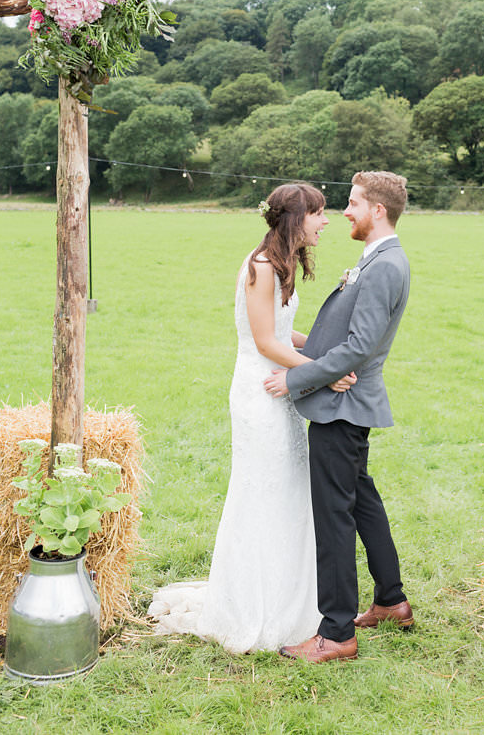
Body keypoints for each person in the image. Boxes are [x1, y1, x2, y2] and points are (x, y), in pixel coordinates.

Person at [148, 182, 353, 652]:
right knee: (262, 491)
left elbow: (284, 333)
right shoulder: (262, 266)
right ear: (296, 218)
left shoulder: (281, 264)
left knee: (287, 491)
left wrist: (322, 348)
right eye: (319, 213)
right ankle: (256, 609)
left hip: (279, 388)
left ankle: (290, 601)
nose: (326, 222)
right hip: (260, 393)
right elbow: (264, 342)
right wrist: (325, 370)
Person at [264, 170, 412, 664]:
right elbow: (345, 337)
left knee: (333, 517)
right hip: (348, 403)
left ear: (378, 211)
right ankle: (391, 599)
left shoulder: (387, 265)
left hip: (342, 406)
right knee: (362, 500)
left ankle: (336, 632)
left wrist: (295, 378)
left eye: (352, 203)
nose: (345, 213)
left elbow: (360, 346)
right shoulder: (376, 259)